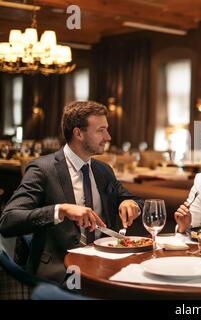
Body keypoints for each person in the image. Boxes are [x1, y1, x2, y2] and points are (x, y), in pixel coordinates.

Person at [0, 101, 143, 284]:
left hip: (105, 263)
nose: (108, 136)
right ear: (78, 133)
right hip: (62, 269)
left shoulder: (103, 170)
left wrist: (129, 204)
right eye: (100, 130)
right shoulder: (42, 169)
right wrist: (60, 210)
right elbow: (8, 220)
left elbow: (134, 201)